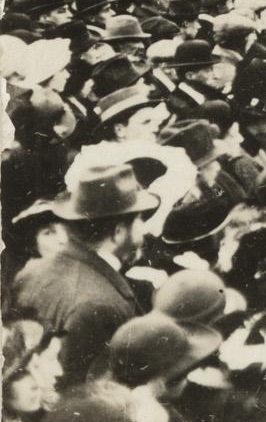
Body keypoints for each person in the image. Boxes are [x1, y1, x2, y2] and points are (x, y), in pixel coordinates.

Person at [12, 163, 158, 388]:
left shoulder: (32, 270)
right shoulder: (102, 303)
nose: (143, 226)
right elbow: (85, 390)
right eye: (140, 218)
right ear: (118, 232)